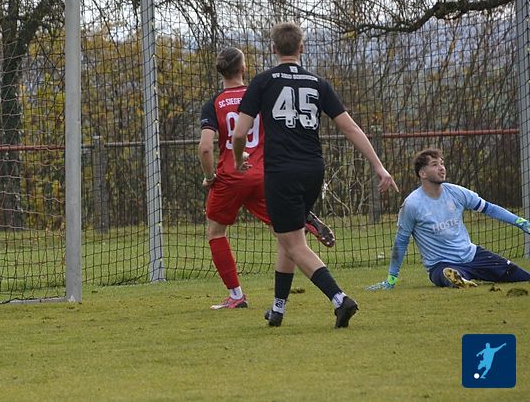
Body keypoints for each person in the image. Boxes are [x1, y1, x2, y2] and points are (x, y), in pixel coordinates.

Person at [232, 22, 398, 328]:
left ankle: (340, 299)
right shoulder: (318, 83)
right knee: (288, 236)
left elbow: (240, 132)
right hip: (313, 169)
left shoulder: (263, 82)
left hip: (281, 171)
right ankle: (278, 309)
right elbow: (350, 127)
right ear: (302, 48)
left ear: (273, 48)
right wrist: (378, 166)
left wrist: (238, 156)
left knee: (294, 243)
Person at [199, 47, 336, 310]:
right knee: (286, 235)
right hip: (265, 174)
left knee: (216, 232)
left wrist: (209, 177)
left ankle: (236, 295)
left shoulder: (214, 103)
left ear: (220, 71)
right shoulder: (260, 93)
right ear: (243, 68)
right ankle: (302, 220)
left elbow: (205, 147)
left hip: (230, 177)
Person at [367, 148, 530, 290]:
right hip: (440, 264)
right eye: (434, 164)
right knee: (446, 274)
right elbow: (401, 241)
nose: (441, 168)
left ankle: (461, 278)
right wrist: (391, 278)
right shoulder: (412, 204)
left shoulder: (456, 192)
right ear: (422, 173)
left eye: (442, 163)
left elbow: (490, 208)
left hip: (472, 255)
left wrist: (520, 222)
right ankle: (457, 279)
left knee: (521, 276)